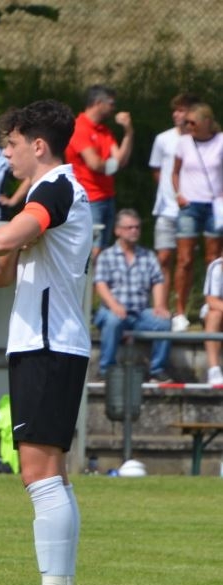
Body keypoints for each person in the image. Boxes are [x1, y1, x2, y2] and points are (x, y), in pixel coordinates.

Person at [0, 99, 90, 585]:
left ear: (38, 145)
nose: (7, 154)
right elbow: (4, 272)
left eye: (12, 144)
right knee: (51, 475)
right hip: (46, 345)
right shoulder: (47, 194)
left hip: (48, 346)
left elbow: (4, 240)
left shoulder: (55, 187)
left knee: (39, 475)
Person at [93, 209, 172, 382]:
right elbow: (100, 284)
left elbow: (158, 281)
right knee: (113, 321)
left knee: (164, 323)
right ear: (118, 231)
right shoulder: (106, 256)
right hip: (111, 310)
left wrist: (159, 305)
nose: (134, 231)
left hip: (140, 312)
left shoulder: (148, 256)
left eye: (137, 227)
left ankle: (157, 370)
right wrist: (114, 305)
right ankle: (105, 369)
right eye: (129, 227)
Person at [148, 93, 201, 329]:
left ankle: (180, 311)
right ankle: (161, 307)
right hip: (166, 208)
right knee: (163, 258)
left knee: (185, 260)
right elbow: (157, 170)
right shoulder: (163, 139)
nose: (176, 115)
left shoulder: (200, 140)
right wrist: (168, 191)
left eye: (181, 110)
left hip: (190, 208)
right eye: (175, 110)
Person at [64, 85, 134, 258]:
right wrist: (114, 165)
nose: (113, 107)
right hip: (89, 198)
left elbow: (121, 160)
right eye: (111, 103)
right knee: (92, 248)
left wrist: (128, 132)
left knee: (103, 248)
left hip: (107, 196)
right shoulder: (79, 128)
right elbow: (94, 164)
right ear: (98, 103)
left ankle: (97, 277)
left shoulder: (104, 131)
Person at [171, 103, 223, 332]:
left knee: (213, 259)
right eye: (186, 122)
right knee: (184, 259)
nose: (188, 126)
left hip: (215, 205)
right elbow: (175, 171)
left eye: (192, 122)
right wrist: (178, 194)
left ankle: (208, 304)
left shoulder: (220, 141)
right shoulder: (184, 143)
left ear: (207, 122)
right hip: (189, 205)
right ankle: (180, 311)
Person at [201, 252, 223, 384]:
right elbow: (211, 300)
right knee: (215, 315)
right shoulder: (216, 267)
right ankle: (214, 369)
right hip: (216, 312)